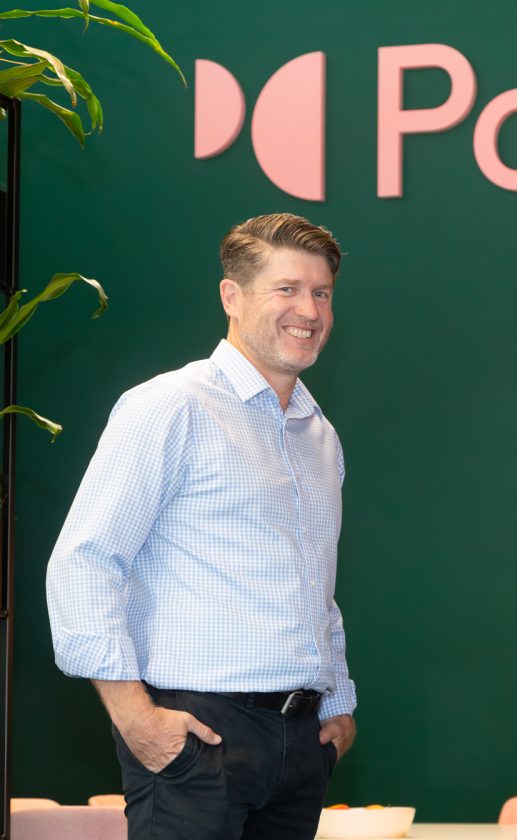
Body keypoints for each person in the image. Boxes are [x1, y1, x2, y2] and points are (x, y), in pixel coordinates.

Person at [46, 212, 356, 840]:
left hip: (301, 742)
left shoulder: (319, 435)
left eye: (321, 292)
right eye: (287, 289)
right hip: (196, 735)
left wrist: (339, 703)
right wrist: (136, 719)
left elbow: (315, 585)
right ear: (231, 297)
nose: (310, 310)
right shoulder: (170, 406)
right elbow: (84, 562)